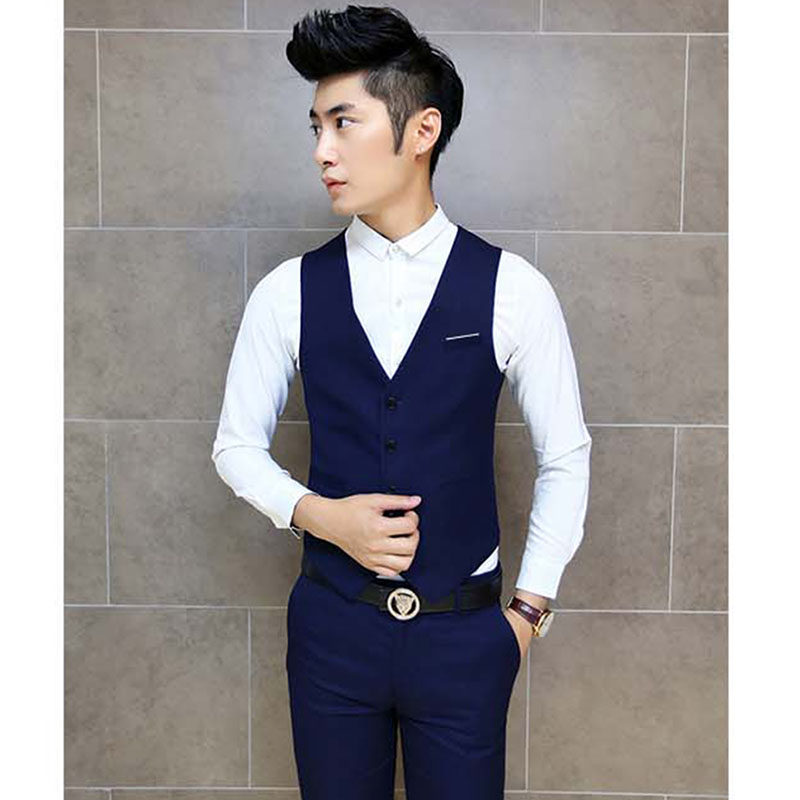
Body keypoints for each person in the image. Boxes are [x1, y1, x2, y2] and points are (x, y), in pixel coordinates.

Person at [211, 6, 592, 798]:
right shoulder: (287, 292)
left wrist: (525, 616)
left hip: (466, 638)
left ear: (421, 130)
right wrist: (321, 516)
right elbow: (235, 447)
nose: (322, 151)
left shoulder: (513, 290)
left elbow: (566, 455)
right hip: (332, 633)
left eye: (343, 123)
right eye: (316, 126)